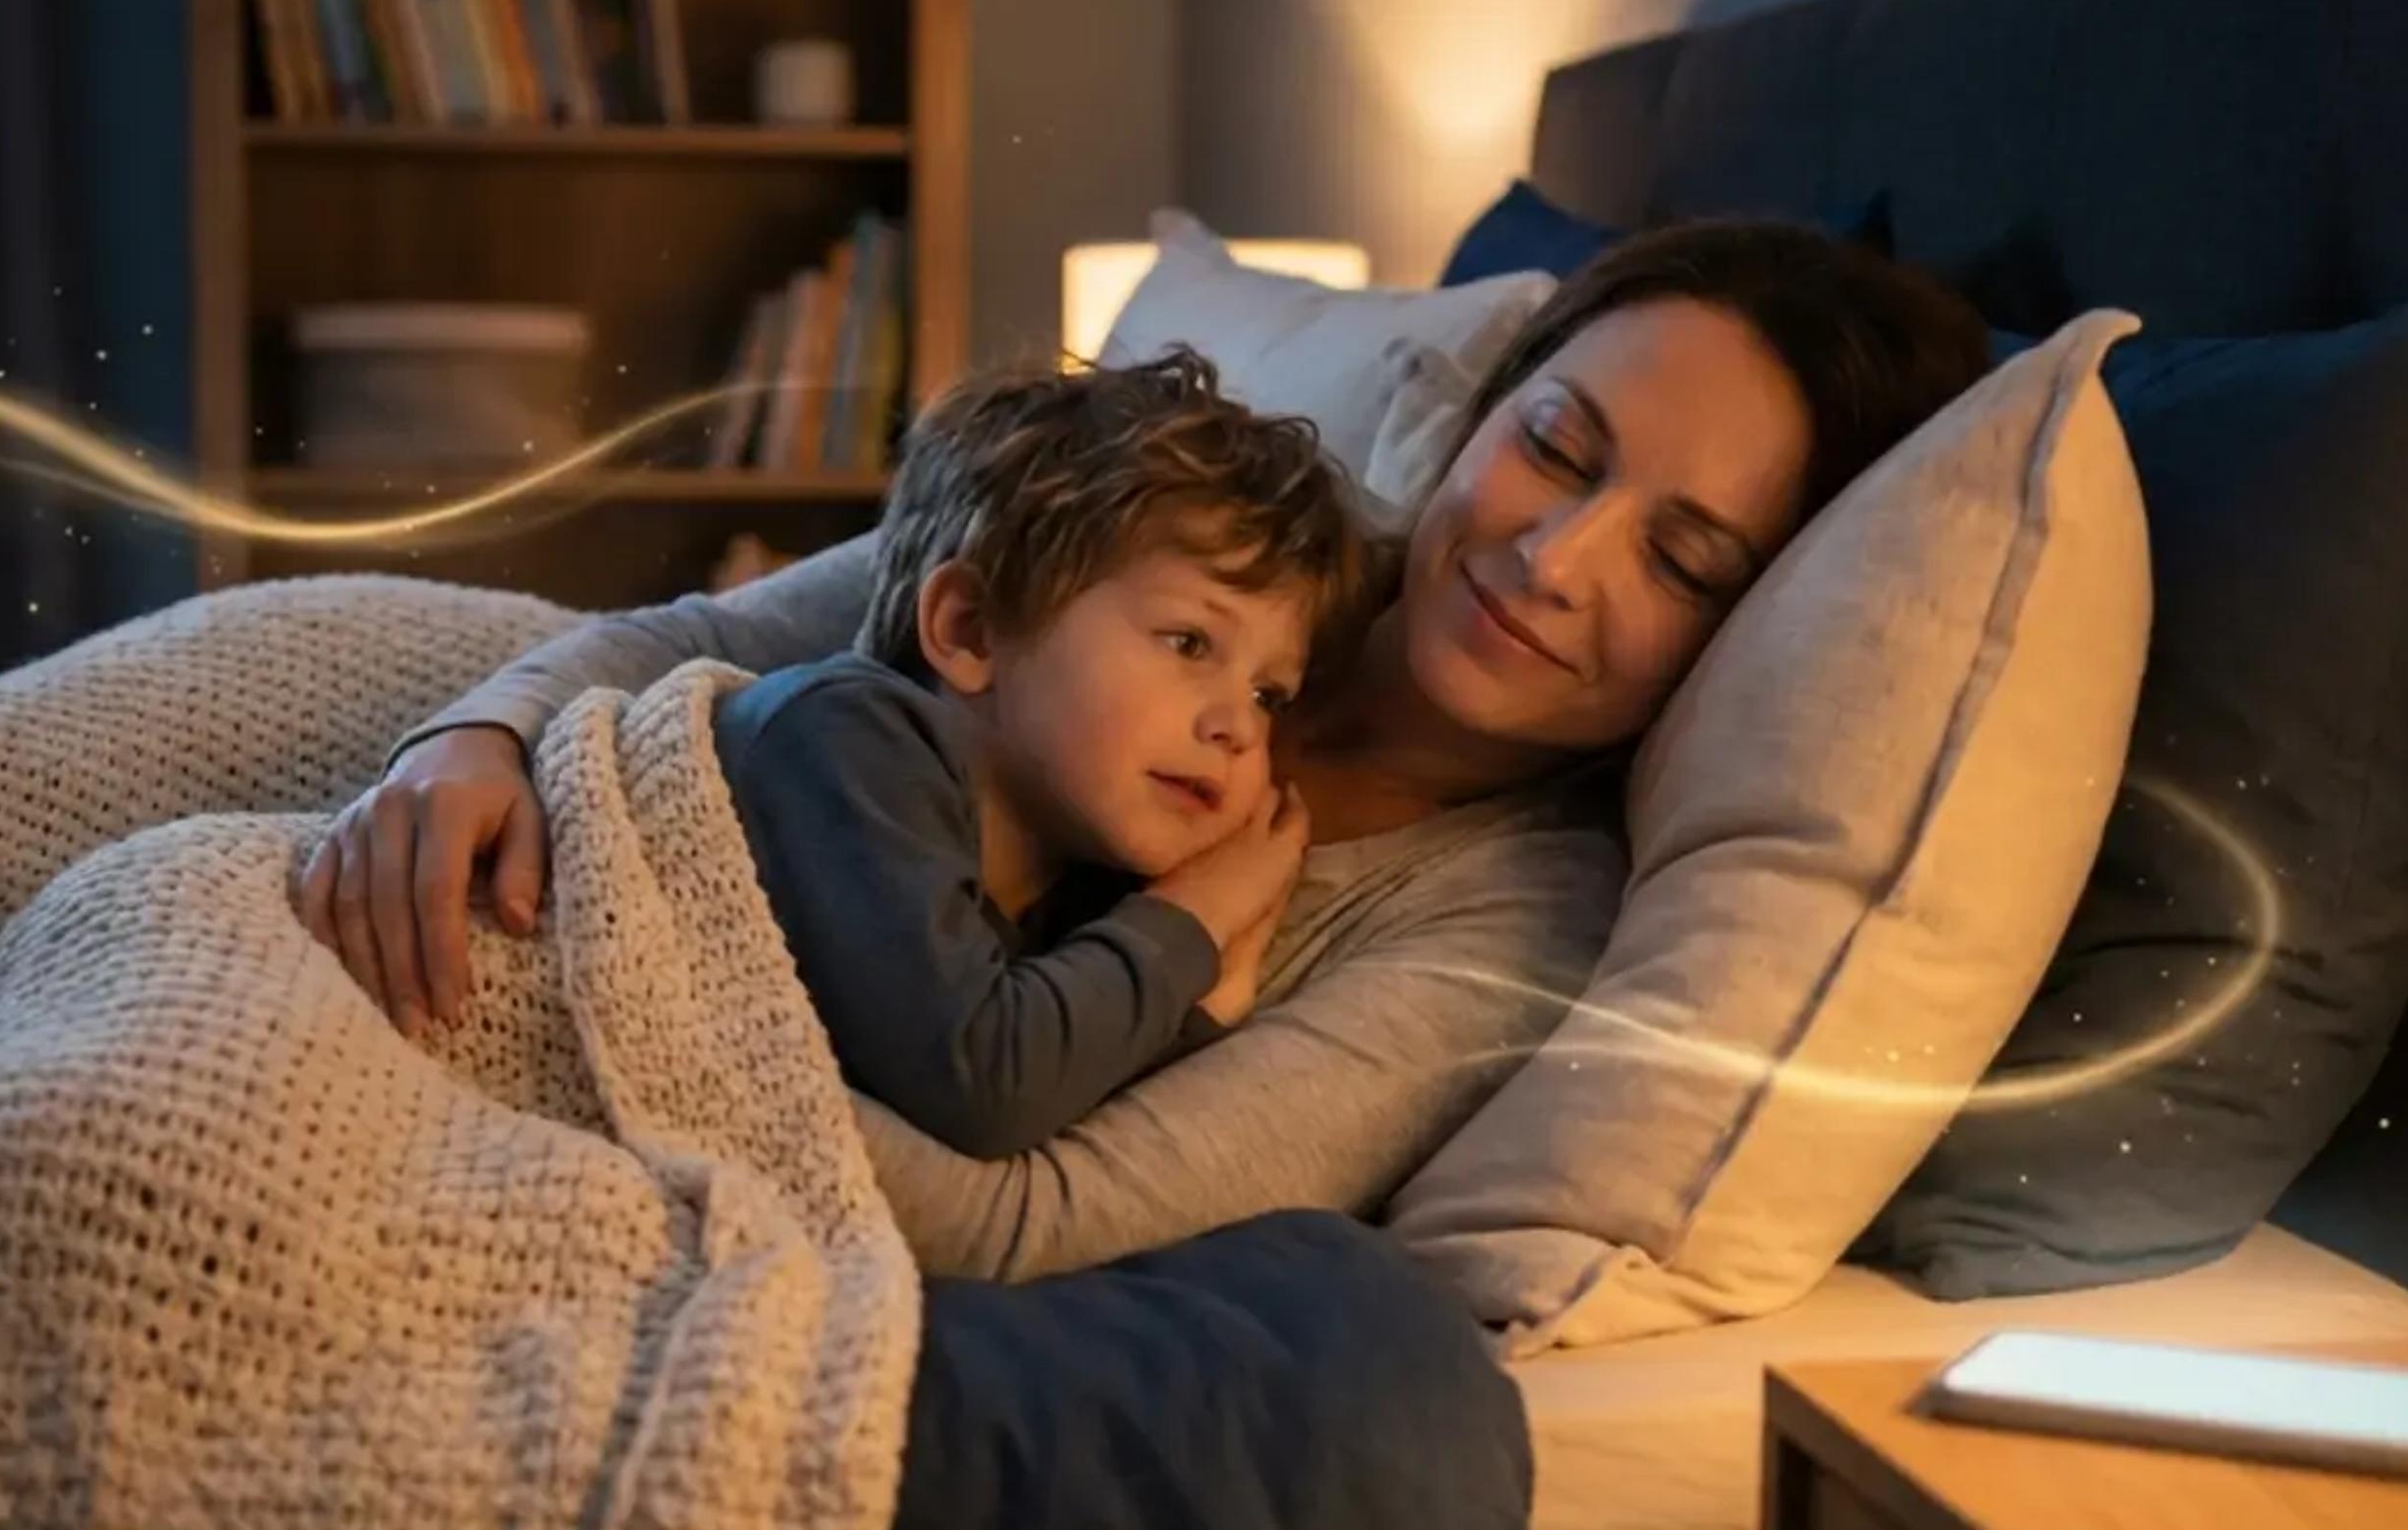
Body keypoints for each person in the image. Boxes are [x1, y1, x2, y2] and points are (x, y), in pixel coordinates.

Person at [296, 220, 1996, 1279]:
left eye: (1684, 561)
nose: (1559, 558)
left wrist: (631, 1020)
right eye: (1558, 447)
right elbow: (707, 643)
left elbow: (1034, 1219)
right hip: (440, 755)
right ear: (1483, 411)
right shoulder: (1241, 529)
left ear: (1744, 638)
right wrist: (467, 742)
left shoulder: (1505, 927)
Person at [697, 352, 1378, 1161]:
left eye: (1271, 695)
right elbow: (984, 1085)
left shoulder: (1072, 891)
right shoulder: (844, 738)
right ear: (972, 629)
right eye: (1189, 642)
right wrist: (1196, 920)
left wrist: (1203, 1005)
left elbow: (1068, 1099)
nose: (1237, 725)